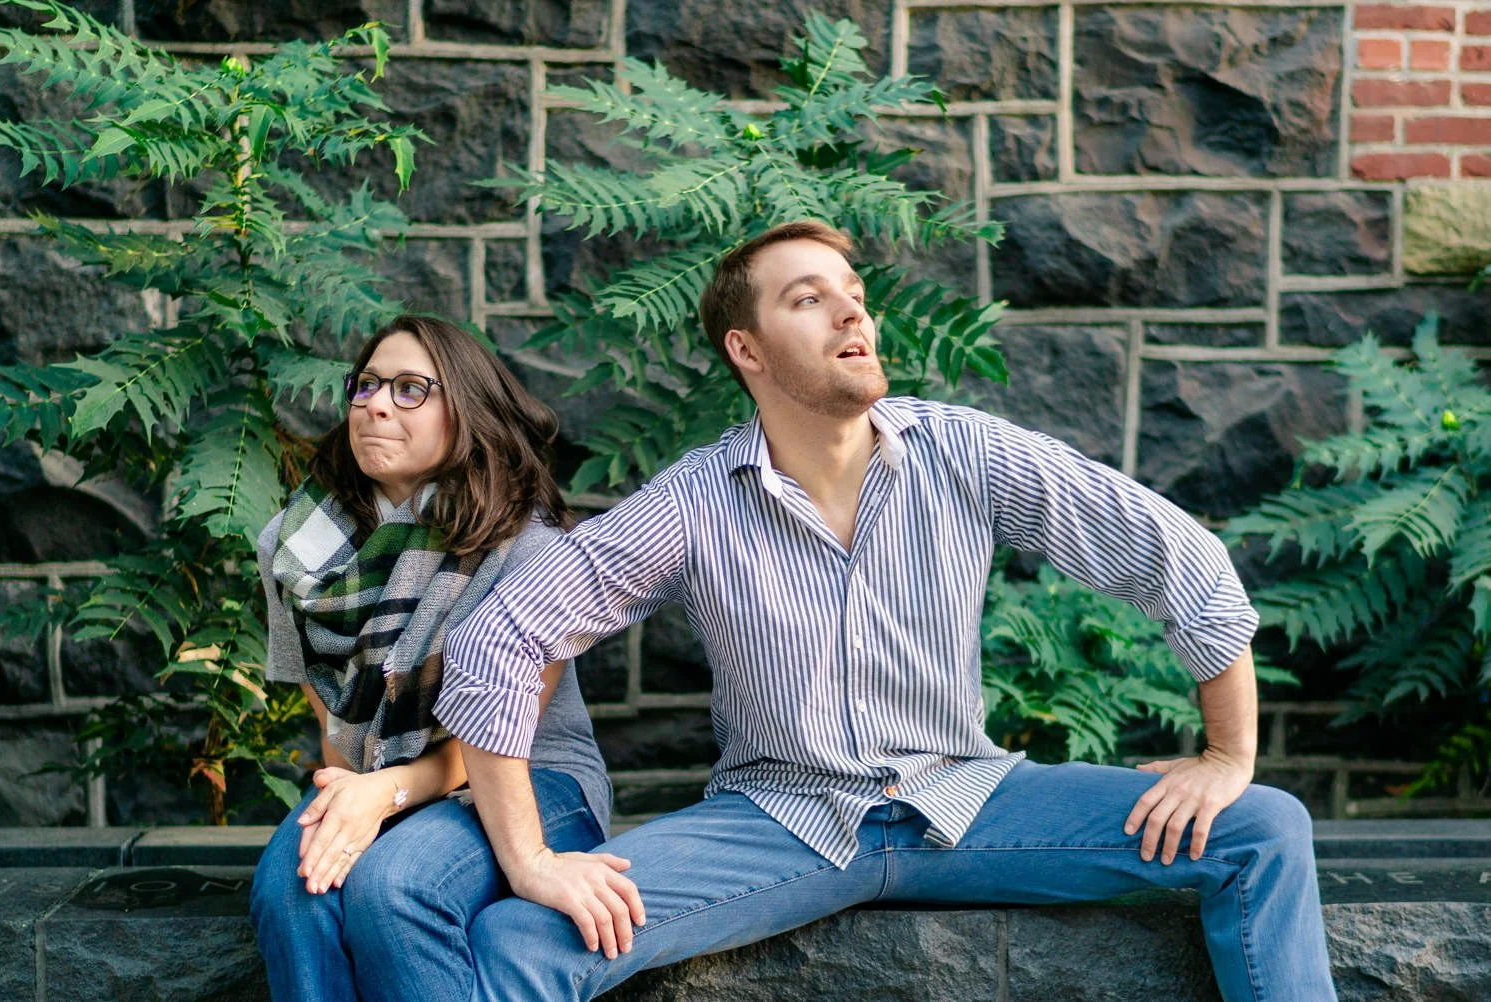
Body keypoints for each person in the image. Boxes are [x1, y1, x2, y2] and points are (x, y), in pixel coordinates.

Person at [433, 222, 1338, 1001]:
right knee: (525, 937)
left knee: (1263, 827)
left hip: (973, 805)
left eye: (853, 294)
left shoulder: (964, 451)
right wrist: (532, 860)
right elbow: (500, 638)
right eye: (807, 299)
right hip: (779, 820)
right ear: (746, 350)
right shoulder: (695, 502)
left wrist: (1228, 756)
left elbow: (1177, 554)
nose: (851, 312)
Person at [248, 315, 613, 1002]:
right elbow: (336, 736)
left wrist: (379, 798)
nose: (377, 405)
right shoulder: (293, 549)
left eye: (412, 388)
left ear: (466, 411)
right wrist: (351, 802)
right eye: (367, 386)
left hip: (531, 781)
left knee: (396, 886)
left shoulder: (530, 546)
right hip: (374, 776)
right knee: (295, 890)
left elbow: (503, 736)